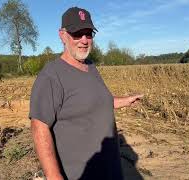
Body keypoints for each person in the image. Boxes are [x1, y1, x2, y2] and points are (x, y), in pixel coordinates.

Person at [29, 7, 143, 180]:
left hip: (111, 169)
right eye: (77, 33)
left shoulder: (90, 66)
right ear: (62, 35)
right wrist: (53, 175)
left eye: (88, 34)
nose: (84, 40)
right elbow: (39, 128)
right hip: (81, 174)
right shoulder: (51, 76)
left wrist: (124, 101)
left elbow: (96, 101)